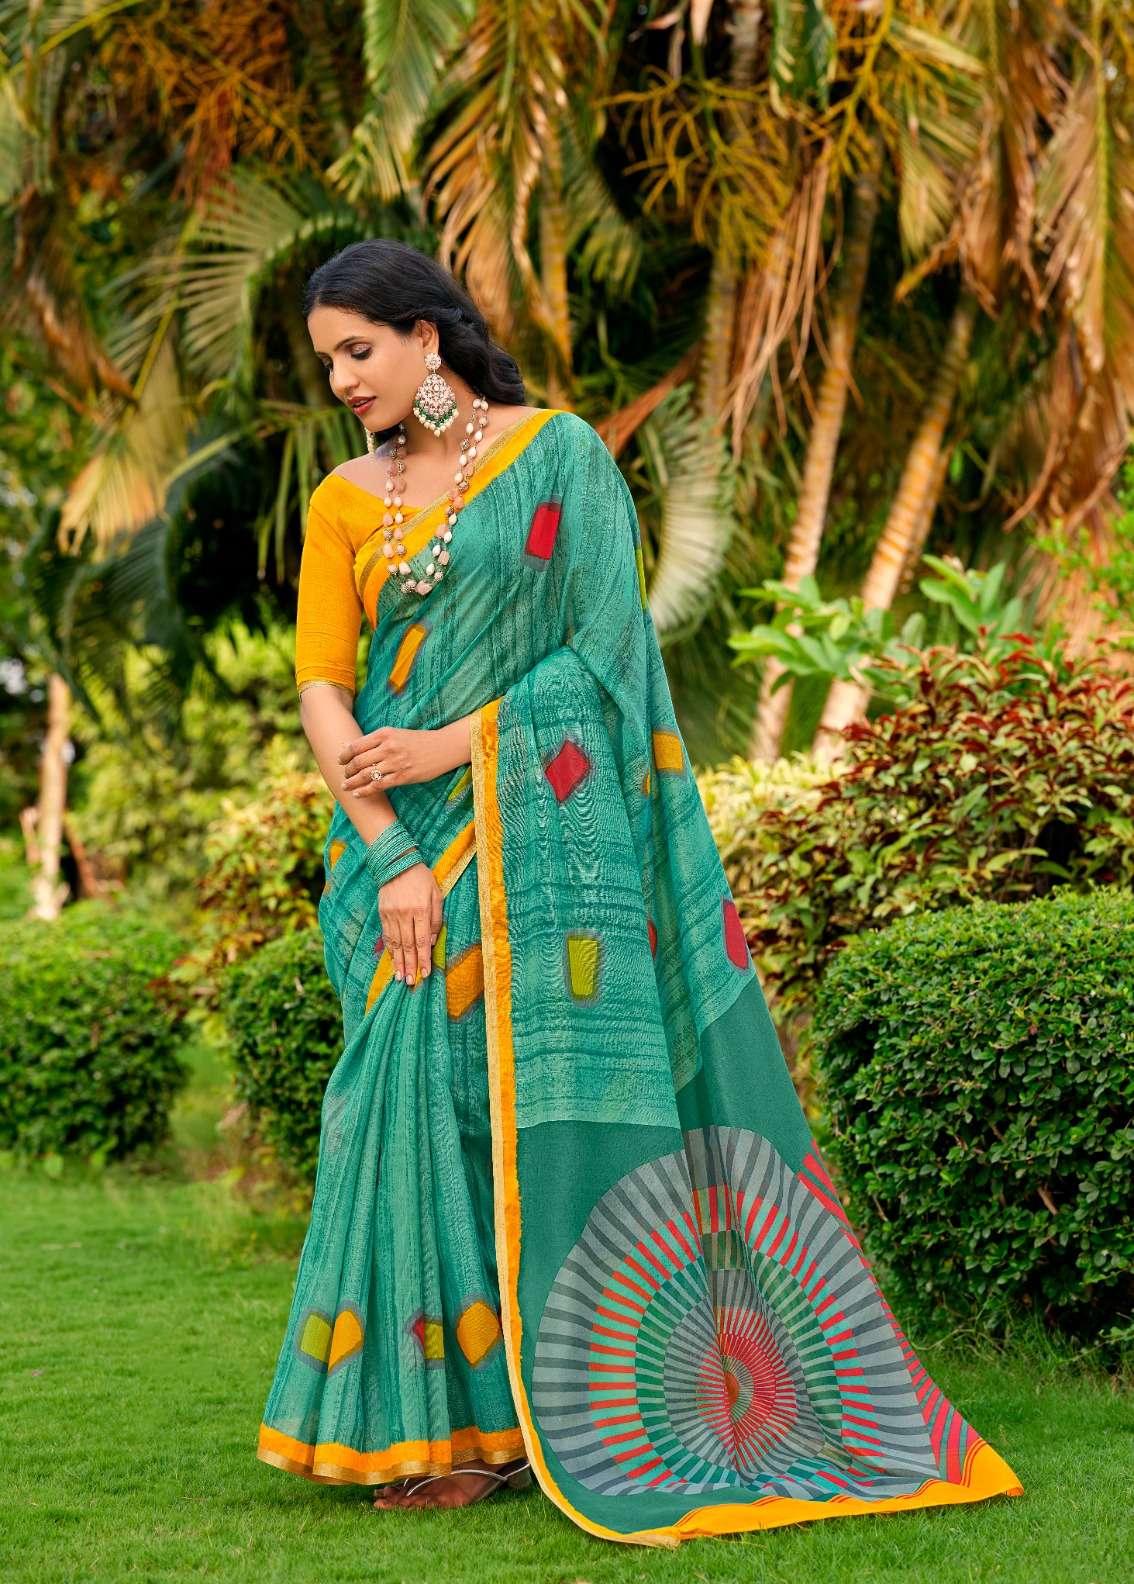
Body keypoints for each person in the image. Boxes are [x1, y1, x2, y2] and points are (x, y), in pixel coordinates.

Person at [255, 238, 1024, 1548]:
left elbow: (604, 654)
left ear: (427, 336)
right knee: (400, 1109)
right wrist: (387, 852)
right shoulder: (343, 501)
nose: (341, 380)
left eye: (358, 350)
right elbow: (324, 686)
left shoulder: (557, 459)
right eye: (327, 360)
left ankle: (520, 1424)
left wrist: (457, 746)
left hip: (527, 834)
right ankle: (453, 1427)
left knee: (490, 1111)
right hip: (392, 853)